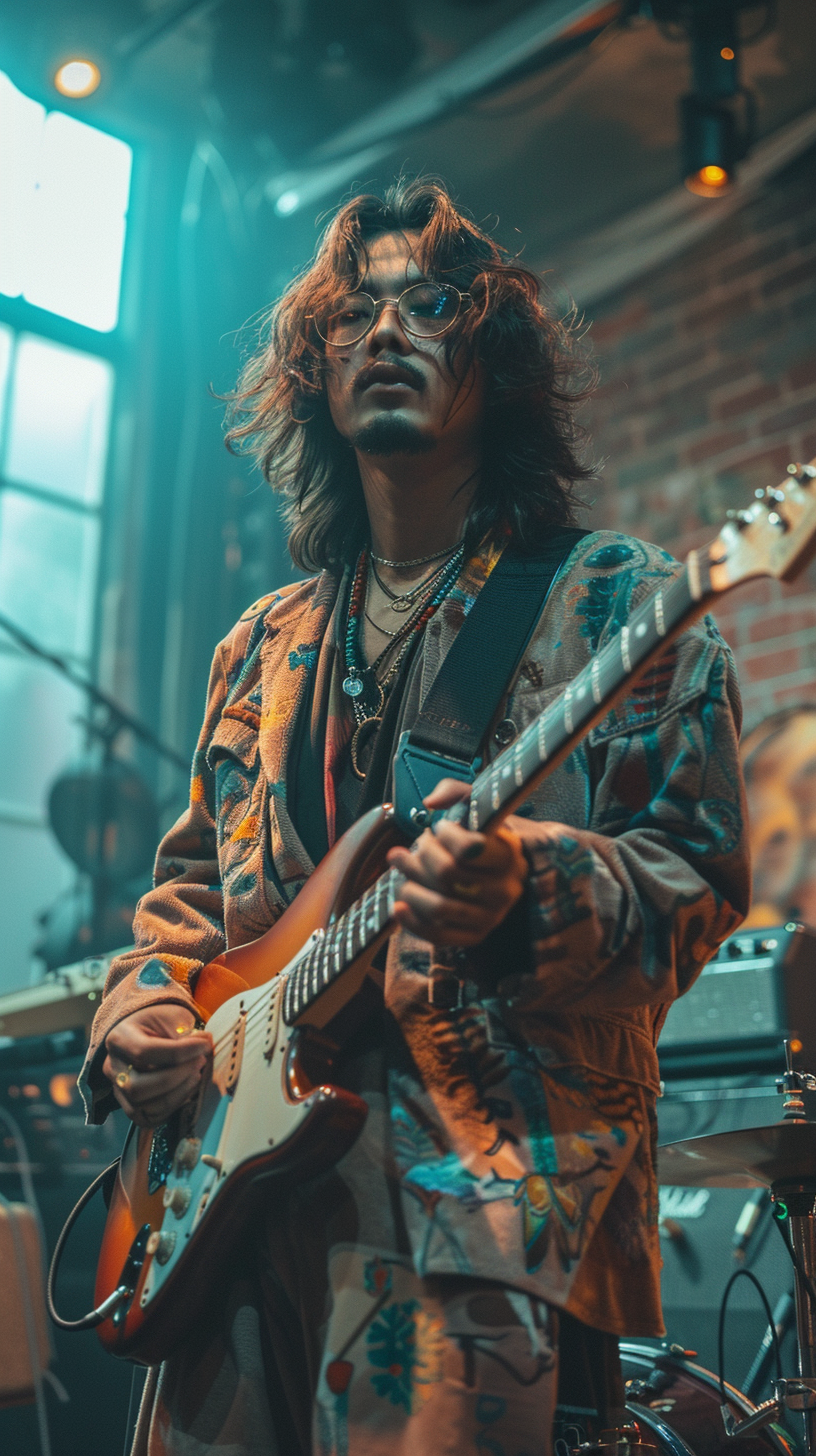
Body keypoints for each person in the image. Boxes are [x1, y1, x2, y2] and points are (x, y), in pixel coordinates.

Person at [79, 179, 749, 1456]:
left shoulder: (618, 605)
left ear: (491, 363)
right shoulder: (260, 645)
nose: (386, 332)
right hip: (225, 1222)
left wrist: (532, 886)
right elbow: (182, 905)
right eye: (354, 314)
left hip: (476, 1216)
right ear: (314, 374)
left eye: (429, 305)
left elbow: (697, 883)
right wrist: (146, 1007)